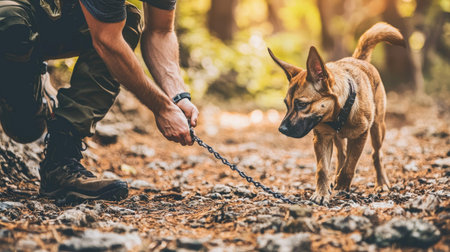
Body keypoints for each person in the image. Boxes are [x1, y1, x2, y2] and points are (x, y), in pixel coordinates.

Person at [0, 0, 199, 201]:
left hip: (54, 20)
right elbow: (107, 41)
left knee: (126, 20)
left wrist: (178, 97)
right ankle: (28, 78)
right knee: (10, 21)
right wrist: (162, 108)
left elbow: (160, 30)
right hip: (15, 14)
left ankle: (60, 162)